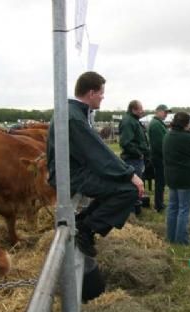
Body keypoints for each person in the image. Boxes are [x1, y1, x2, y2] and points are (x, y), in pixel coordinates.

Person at [47, 71, 144, 257]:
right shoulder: (74, 117)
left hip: (71, 170)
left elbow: (96, 151)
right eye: (101, 93)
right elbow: (98, 153)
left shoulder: (73, 112)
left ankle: (83, 221)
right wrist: (130, 174)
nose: (103, 97)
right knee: (128, 190)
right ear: (91, 93)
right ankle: (86, 228)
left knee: (119, 188)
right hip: (70, 175)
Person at [163, 112, 190, 244]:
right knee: (184, 210)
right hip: (186, 178)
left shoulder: (168, 136)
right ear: (185, 124)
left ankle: (171, 236)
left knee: (173, 207)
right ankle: (181, 240)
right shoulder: (187, 138)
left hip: (172, 177)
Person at [118, 99, 150, 214]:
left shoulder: (133, 120)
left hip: (136, 159)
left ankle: (135, 210)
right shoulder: (129, 121)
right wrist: (139, 153)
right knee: (133, 186)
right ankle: (131, 212)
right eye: (140, 109)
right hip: (132, 159)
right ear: (133, 109)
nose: (143, 111)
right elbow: (126, 142)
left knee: (136, 186)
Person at [148, 104, 171, 212]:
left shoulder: (157, 123)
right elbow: (159, 144)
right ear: (158, 111)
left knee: (160, 182)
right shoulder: (156, 124)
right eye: (165, 112)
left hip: (159, 157)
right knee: (160, 182)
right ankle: (159, 204)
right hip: (159, 158)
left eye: (167, 112)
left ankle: (159, 203)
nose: (166, 114)